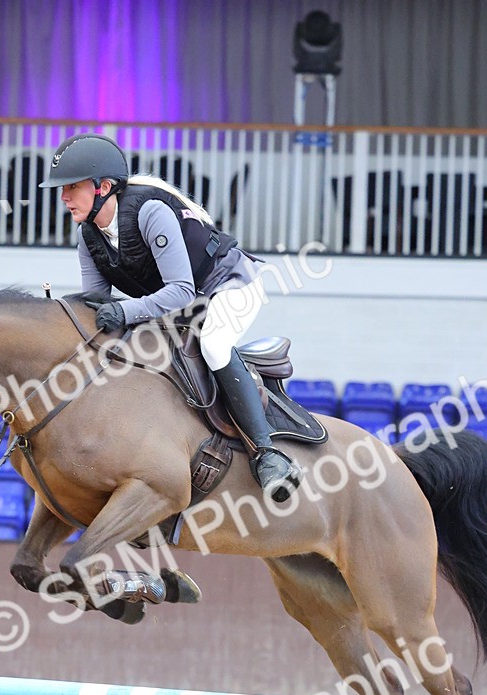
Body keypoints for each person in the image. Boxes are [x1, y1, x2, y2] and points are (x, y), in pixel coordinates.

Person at [40, 134, 301, 502]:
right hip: (181, 302)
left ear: (103, 187)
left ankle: (267, 453)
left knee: (212, 344)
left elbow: (180, 290)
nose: (64, 197)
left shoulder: (150, 213)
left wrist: (125, 311)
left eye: (72, 187)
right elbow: (96, 304)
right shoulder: (89, 237)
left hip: (228, 284)